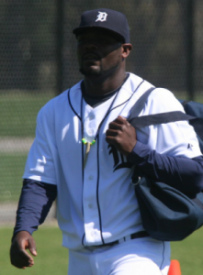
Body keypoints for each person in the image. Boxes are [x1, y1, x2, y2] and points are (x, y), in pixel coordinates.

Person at [10, 8, 203, 275]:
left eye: (102, 40)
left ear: (125, 50)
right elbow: (40, 181)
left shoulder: (154, 101)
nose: (90, 46)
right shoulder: (54, 112)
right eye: (84, 39)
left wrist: (137, 151)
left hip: (137, 252)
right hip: (78, 258)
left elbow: (194, 175)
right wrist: (24, 228)